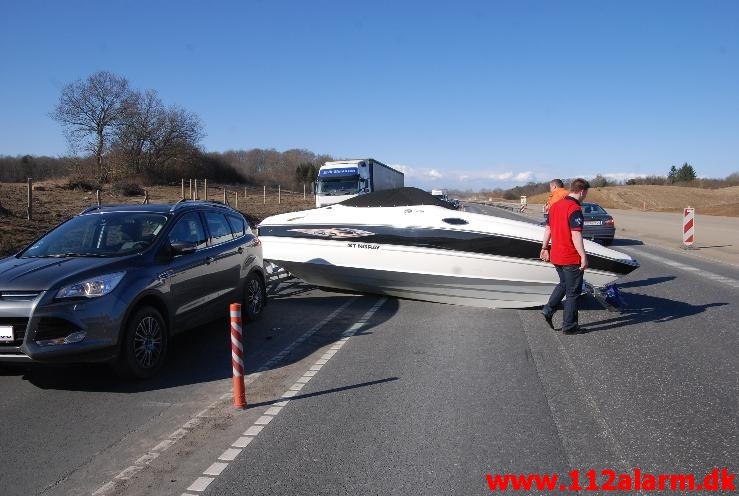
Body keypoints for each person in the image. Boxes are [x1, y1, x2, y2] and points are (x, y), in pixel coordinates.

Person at [539, 178, 590, 334]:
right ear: (582, 191)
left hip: (556, 255)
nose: (585, 196)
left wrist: (544, 247)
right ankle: (569, 326)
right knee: (573, 292)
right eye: (586, 194)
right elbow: (576, 235)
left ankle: (548, 309)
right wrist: (583, 256)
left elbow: (548, 229)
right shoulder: (574, 208)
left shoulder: (555, 206)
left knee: (563, 284)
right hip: (570, 256)